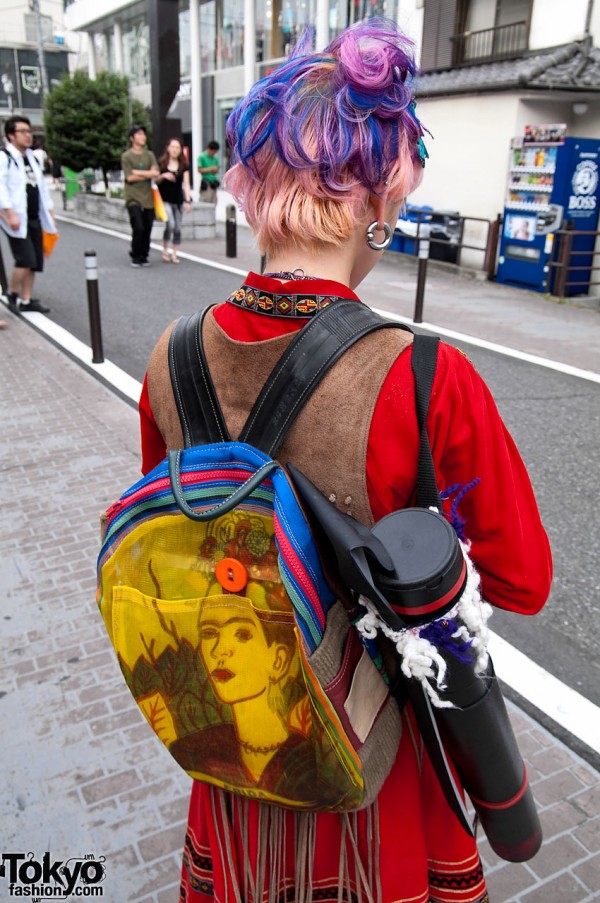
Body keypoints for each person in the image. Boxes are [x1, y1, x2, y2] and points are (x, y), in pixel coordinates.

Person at [138, 19, 552, 903]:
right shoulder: (425, 376)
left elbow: (174, 546)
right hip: (374, 764)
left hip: (238, 749)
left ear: (254, 189)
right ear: (377, 198)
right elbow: (521, 578)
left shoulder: (169, 362)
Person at [0, 115, 56, 313]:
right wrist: (9, 213)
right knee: (25, 259)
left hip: (34, 216)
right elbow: (1, 188)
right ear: (11, 135)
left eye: (28, 131)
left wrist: (49, 213)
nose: (27, 135)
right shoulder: (4, 157)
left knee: (35, 262)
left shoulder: (32, 157)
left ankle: (26, 299)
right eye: (22, 132)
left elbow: (41, 188)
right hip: (15, 218)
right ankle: (11, 294)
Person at [121, 124, 159, 268]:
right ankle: (135, 254)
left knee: (148, 227)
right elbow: (129, 178)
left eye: (144, 134)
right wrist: (146, 174)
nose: (143, 136)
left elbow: (155, 173)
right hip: (133, 198)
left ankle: (144, 254)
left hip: (148, 198)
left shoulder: (149, 154)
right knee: (138, 227)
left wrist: (137, 172)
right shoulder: (126, 156)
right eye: (139, 134)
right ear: (132, 138)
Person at [155, 137, 192, 264]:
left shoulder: (184, 165)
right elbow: (155, 181)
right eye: (173, 147)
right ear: (168, 148)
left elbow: (186, 184)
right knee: (170, 224)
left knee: (177, 227)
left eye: (178, 147)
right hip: (164, 200)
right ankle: (165, 249)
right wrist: (163, 175)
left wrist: (188, 201)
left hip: (178, 201)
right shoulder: (161, 163)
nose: (175, 150)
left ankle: (174, 253)